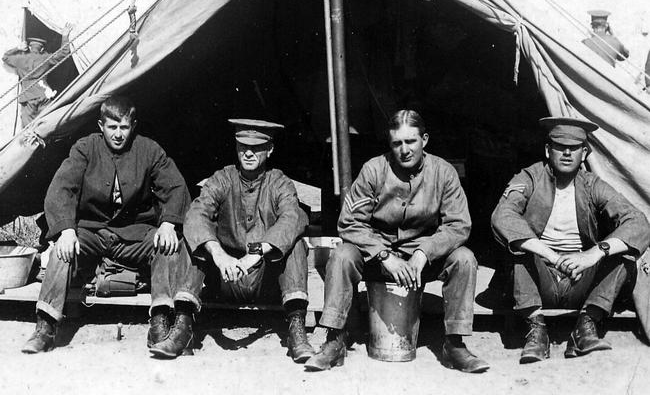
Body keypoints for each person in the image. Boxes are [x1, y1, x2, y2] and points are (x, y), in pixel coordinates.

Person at [305, 110, 489, 373]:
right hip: (376, 256)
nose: (404, 150)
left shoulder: (443, 172)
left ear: (424, 139)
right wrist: (383, 255)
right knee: (342, 255)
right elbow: (349, 222)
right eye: (397, 143)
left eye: (410, 142)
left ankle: (455, 344)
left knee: (464, 258)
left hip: (423, 260)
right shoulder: (373, 170)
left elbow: (459, 225)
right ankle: (334, 341)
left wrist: (424, 252)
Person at [22, 95, 200, 355]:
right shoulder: (84, 149)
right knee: (62, 248)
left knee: (168, 246)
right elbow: (61, 188)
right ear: (100, 125)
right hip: (90, 232)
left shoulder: (149, 150)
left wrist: (169, 224)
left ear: (133, 125)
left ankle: (160, 321)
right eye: (112, 127)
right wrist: (66, 230)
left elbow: (175, 187)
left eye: (124, 127)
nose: (118, 134)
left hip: (134, 234)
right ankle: (45, 327)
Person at [152, 118, 314, 362]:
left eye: (257, 147)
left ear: (270, 150)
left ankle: (296, 329)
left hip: (265, 279)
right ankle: (183, 327)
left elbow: (292, 218)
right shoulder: (222, 178)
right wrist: (218, 254)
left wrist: (254, 255)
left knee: (296, 244)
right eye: (242, 146)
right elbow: (197, 214)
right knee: (195, 241)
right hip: (224, 277)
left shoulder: (279, 182)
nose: (248, 152)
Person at [491, 117, 650, 363]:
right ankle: (536, 330)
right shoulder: (530, 177)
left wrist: (592, 255)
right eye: (559, 146)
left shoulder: (592, 184)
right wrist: (551, 256)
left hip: (580, 278)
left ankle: (586, 327)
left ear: (584, 153)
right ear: (547, 150)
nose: (567, 153)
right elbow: (502, 216)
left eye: (574, 148)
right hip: (539, 276)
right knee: (519, 251)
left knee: (625, 254)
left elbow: (638, 222)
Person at [2, 23, 74, 126]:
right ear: (42, 49)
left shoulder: (21, 60)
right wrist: (65, 36)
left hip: (28, 97)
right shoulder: (45, 58)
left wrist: (18, 48)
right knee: (44, 125)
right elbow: (64, 53)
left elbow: (5, 57)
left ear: (30, 48)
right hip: (44, 96)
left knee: (28, 129)